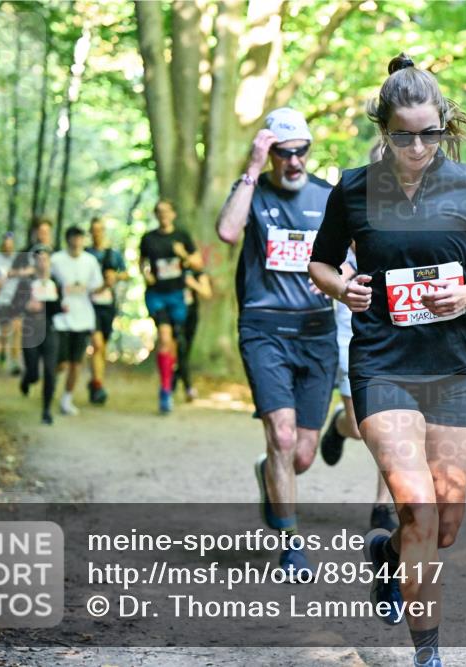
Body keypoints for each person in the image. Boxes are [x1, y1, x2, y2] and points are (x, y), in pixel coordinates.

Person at [309, 54, 466, 667]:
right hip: (381, 365)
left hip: (453, 369)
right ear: (384, 128)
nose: (418, 145)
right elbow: (321, 261)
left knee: (445, 524)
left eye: (429, 132)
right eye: (404, 134)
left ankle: (390, 552)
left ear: (444, 124)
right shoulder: (353, 188)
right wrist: (340, 286)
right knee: (418, 509)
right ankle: (427, 653)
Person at [215, 107, 338, 580]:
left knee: (301, 453)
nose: (293, 162)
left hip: (317, 333)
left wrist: (335, 278)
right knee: (283, 435)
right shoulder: (253, 192)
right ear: (270, 155)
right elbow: (227, 232)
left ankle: (269, 470)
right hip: (264, 330)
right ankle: (291, 548)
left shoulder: (328, 196)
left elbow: (350, 259)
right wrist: (250, 168)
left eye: (301, 152)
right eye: (283, 154)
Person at [317, 142, 397, 533]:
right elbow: (322, 263)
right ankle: (340, 426)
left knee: (393, 422)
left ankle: (384, 505)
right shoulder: (351, 201)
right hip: (354, 324)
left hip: (402, 333)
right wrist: (338, 284)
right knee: (362, 424)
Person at [139, 200, 202, 414]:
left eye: (166, 211)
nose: (163, 215)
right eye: (159, 212)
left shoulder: (182, 237)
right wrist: (145, 274)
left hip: (178, 296)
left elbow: (198, 264)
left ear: (173, 214)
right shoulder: (148, 238)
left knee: (174, 343)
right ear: (156, 215)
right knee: (164, 338)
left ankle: (169, 381)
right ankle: (165, 390)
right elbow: (142, 262)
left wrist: (182, 254)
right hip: (157, 295)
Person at [50, 226, 104, 416]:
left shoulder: (90, 261)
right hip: (62, 319)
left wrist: (107, 286)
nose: (77, 242)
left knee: (76, 363)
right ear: (68, 240)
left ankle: (67, 399)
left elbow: (96, 288)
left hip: (83, 318)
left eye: (80, 238)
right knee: (61, 363)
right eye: (74, 238)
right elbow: (45, 282)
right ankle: (51, 384)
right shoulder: (56, 260)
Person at [14, 245, 63, 425]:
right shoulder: (26, 282)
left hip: (50, 329)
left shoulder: (56, 282)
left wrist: (59, 306)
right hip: (31, 330)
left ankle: (46, 410)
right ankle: (27, 380)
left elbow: (60, 306)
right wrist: (26, 306)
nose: (42, 262)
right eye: (39, 259)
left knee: (50, 371)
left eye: (45, 259)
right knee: (33, 372)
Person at [85, 217, 128, 405]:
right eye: (94, 230)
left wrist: (115, 277)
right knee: (97, 344)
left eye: (100, 230)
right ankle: (98, 384)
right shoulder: (86, 255)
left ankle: (96, 382)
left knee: (102, 347)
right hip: (88, 304)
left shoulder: (113, 254)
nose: (97, 233)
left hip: (107, 305)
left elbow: (126, 273)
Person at [174, 264, 212, 402]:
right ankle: (188, 387)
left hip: (191, 316)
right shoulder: (172, 268)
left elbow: (207, 293)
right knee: (181, 348)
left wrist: (192, 283)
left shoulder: (195, 272)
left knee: (185, 351)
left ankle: (173, 381)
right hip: (175, 315)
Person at [0, 232, 22, 375]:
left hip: (13, 301)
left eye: (10, 244)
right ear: (2, 245)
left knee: (15, 330)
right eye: (5, 244)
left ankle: (14, 362)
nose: (8, 247)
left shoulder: (19, 260)